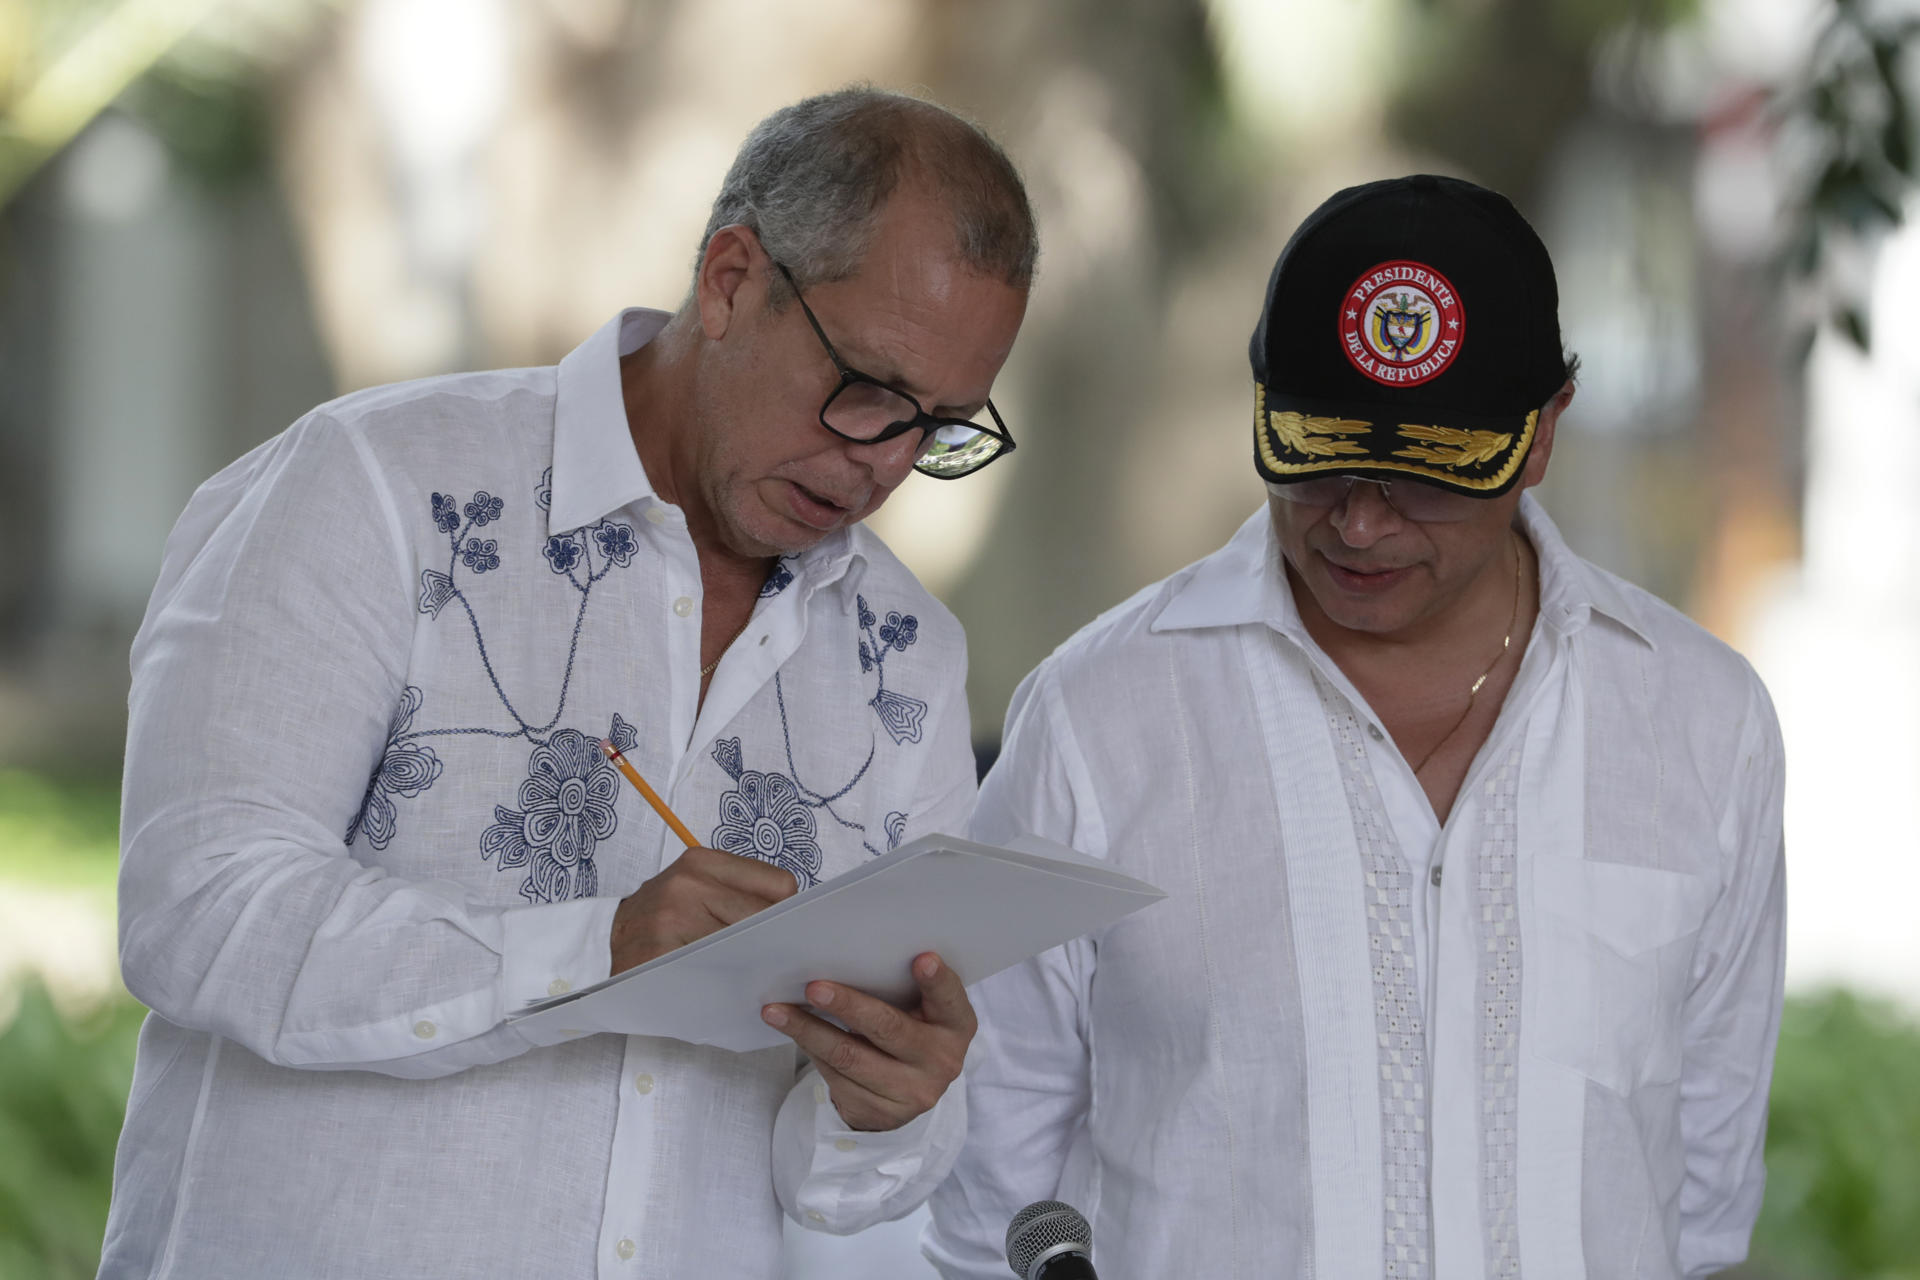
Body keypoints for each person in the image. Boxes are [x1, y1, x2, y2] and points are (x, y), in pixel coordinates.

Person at [102, 87, 1035, 1278]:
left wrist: (892, 1101)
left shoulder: (905, 650)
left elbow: (838, 1178)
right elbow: (197, 909)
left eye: (940, 429)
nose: (884, 463)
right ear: (732, 278)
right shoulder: (380, 489)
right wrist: (595, 948)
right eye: (865, 387)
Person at [925, 175, 1785, 1279]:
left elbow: (1699, 1198)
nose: (1361, 520)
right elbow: (991, 1169)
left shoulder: (1700, 721)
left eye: (1424, 477)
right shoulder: (1103, 714)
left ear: (1542, 434)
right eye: (1318, 458)